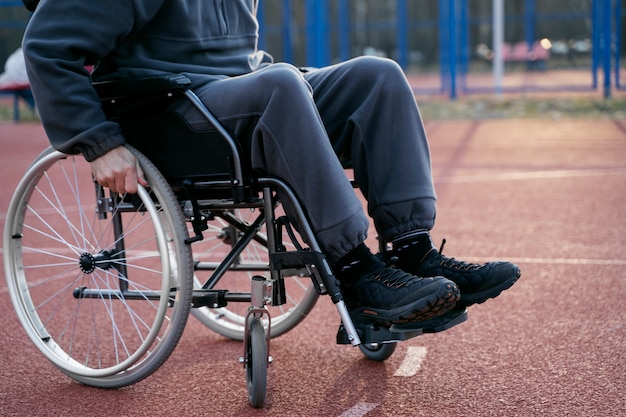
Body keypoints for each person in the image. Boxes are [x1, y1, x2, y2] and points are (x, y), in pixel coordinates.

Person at [22, 0, 520, 327]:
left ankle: (412, 250)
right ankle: (355, 270)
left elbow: (235, 63)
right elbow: (47, 48)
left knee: (377, 76)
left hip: (234, 95)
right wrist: (98, 141)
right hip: (167, 115)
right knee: (281, 83)